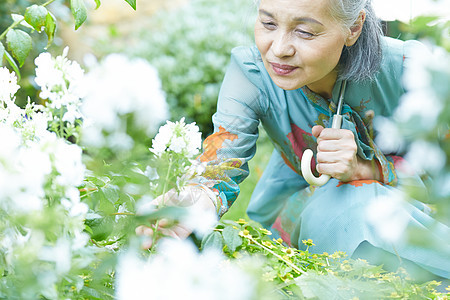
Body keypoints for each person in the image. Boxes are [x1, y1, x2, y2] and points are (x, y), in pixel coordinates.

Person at [137, 0, 450, 282]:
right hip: (304, 208)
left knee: (358, 200)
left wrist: (367, 170)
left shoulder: (414, 69)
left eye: (304, 32)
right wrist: (193, 199)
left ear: (353, 27)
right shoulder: (251, 73)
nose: (279, 49)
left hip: (421, 213)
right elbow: (222, 161)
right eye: (268, 24)